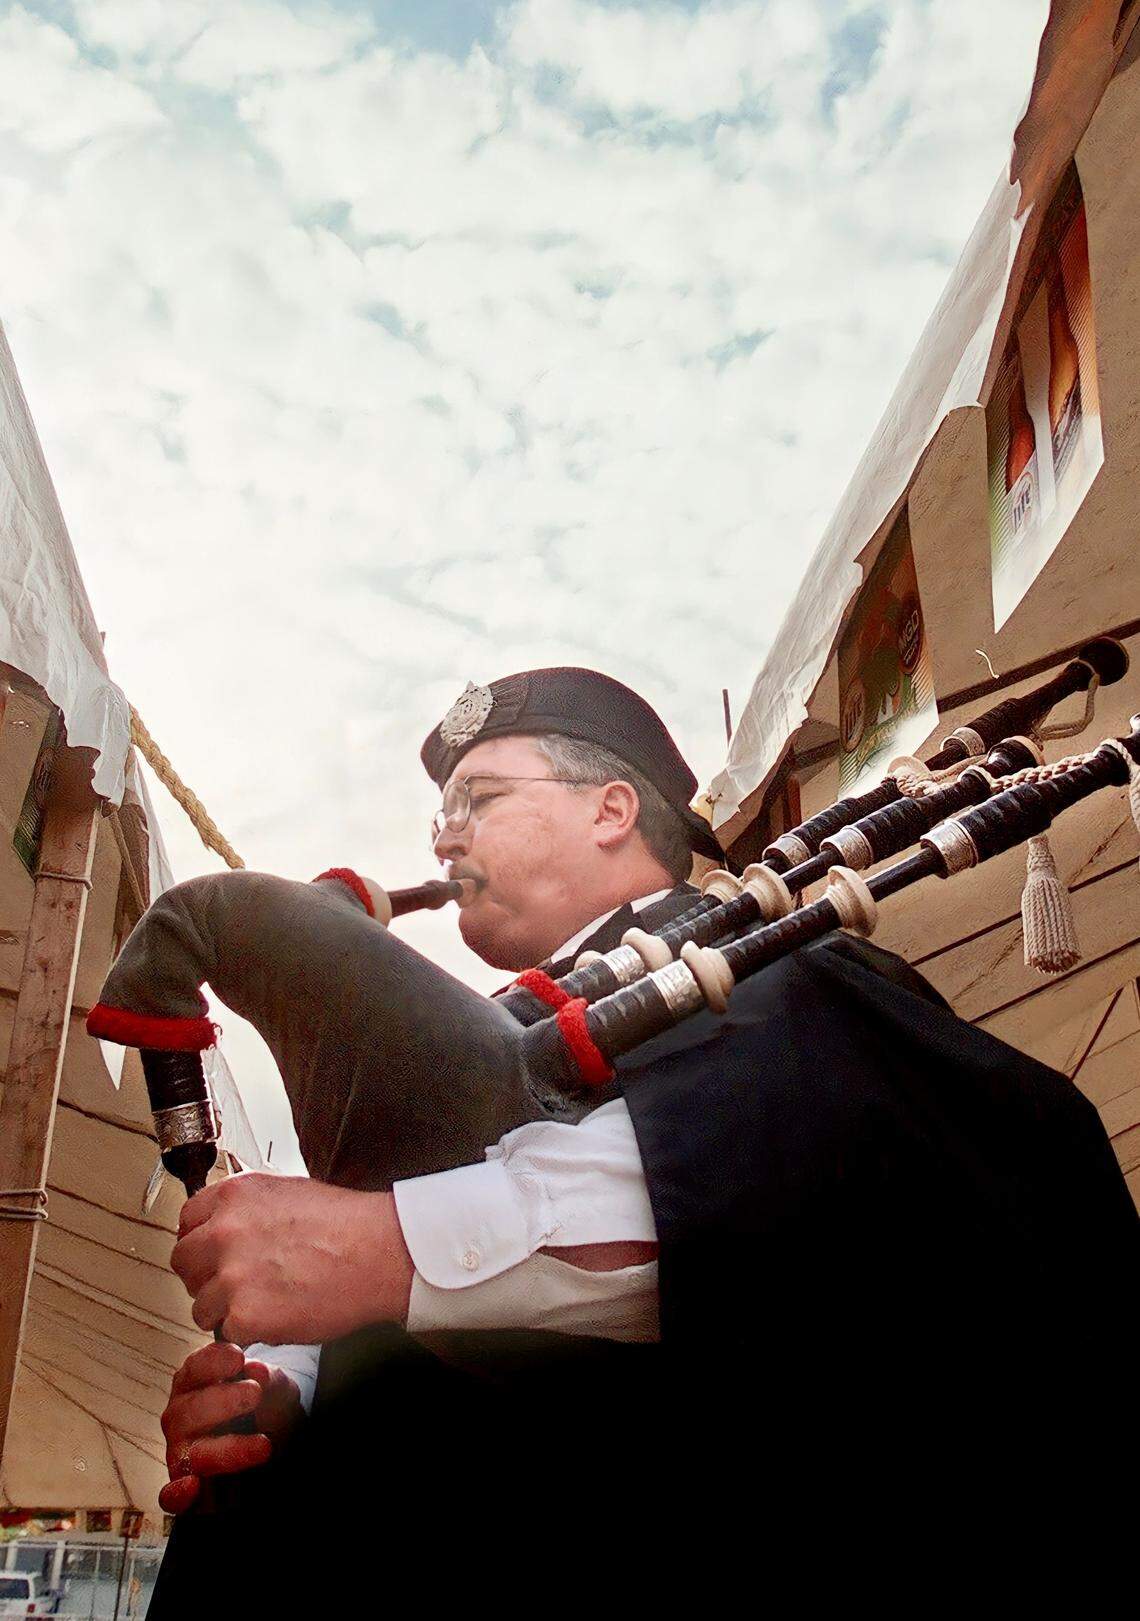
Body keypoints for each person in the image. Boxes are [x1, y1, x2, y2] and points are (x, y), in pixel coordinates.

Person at [150, 669, 1138, 1609]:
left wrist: (395, 1245)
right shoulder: (486, 1034)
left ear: (611, 809)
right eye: (440, 813)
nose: (444, 835)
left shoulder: (793, 984)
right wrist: (296, 1398)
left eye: (479, 796)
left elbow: (850, 1194)